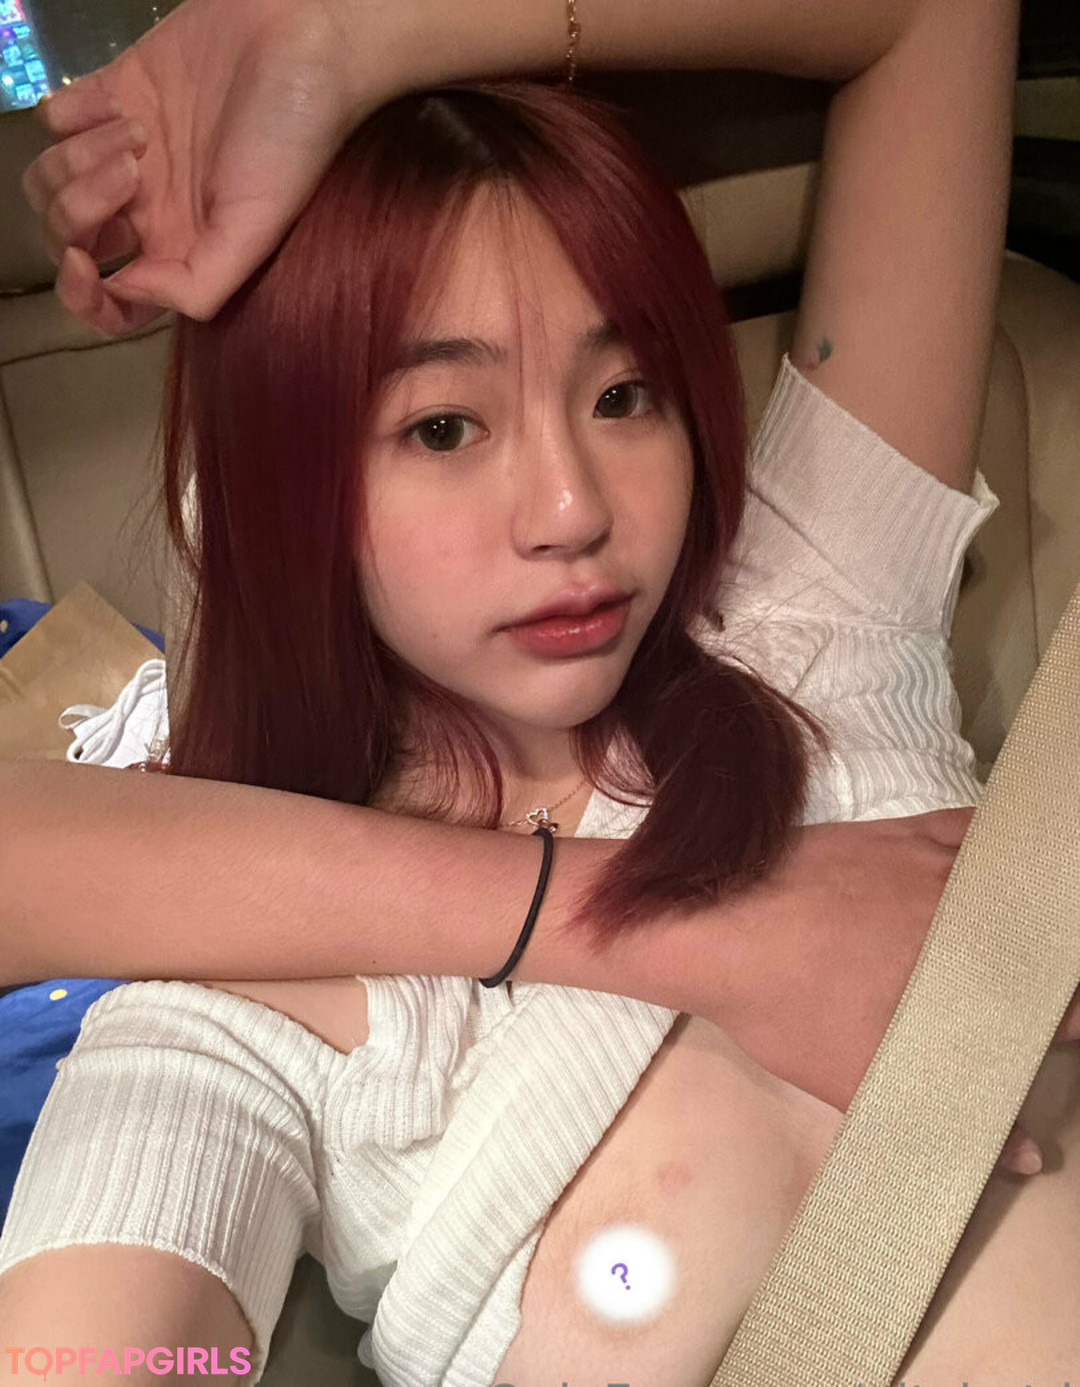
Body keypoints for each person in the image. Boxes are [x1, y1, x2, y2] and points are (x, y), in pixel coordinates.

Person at [3, 0, 1078, 1383]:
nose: (574, 510)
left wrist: (344, 40)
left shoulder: (815, 610)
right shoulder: (248, 1024)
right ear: (286, 490)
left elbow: (933, 17)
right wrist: (701, 934)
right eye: (444, 427)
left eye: (625, 396)